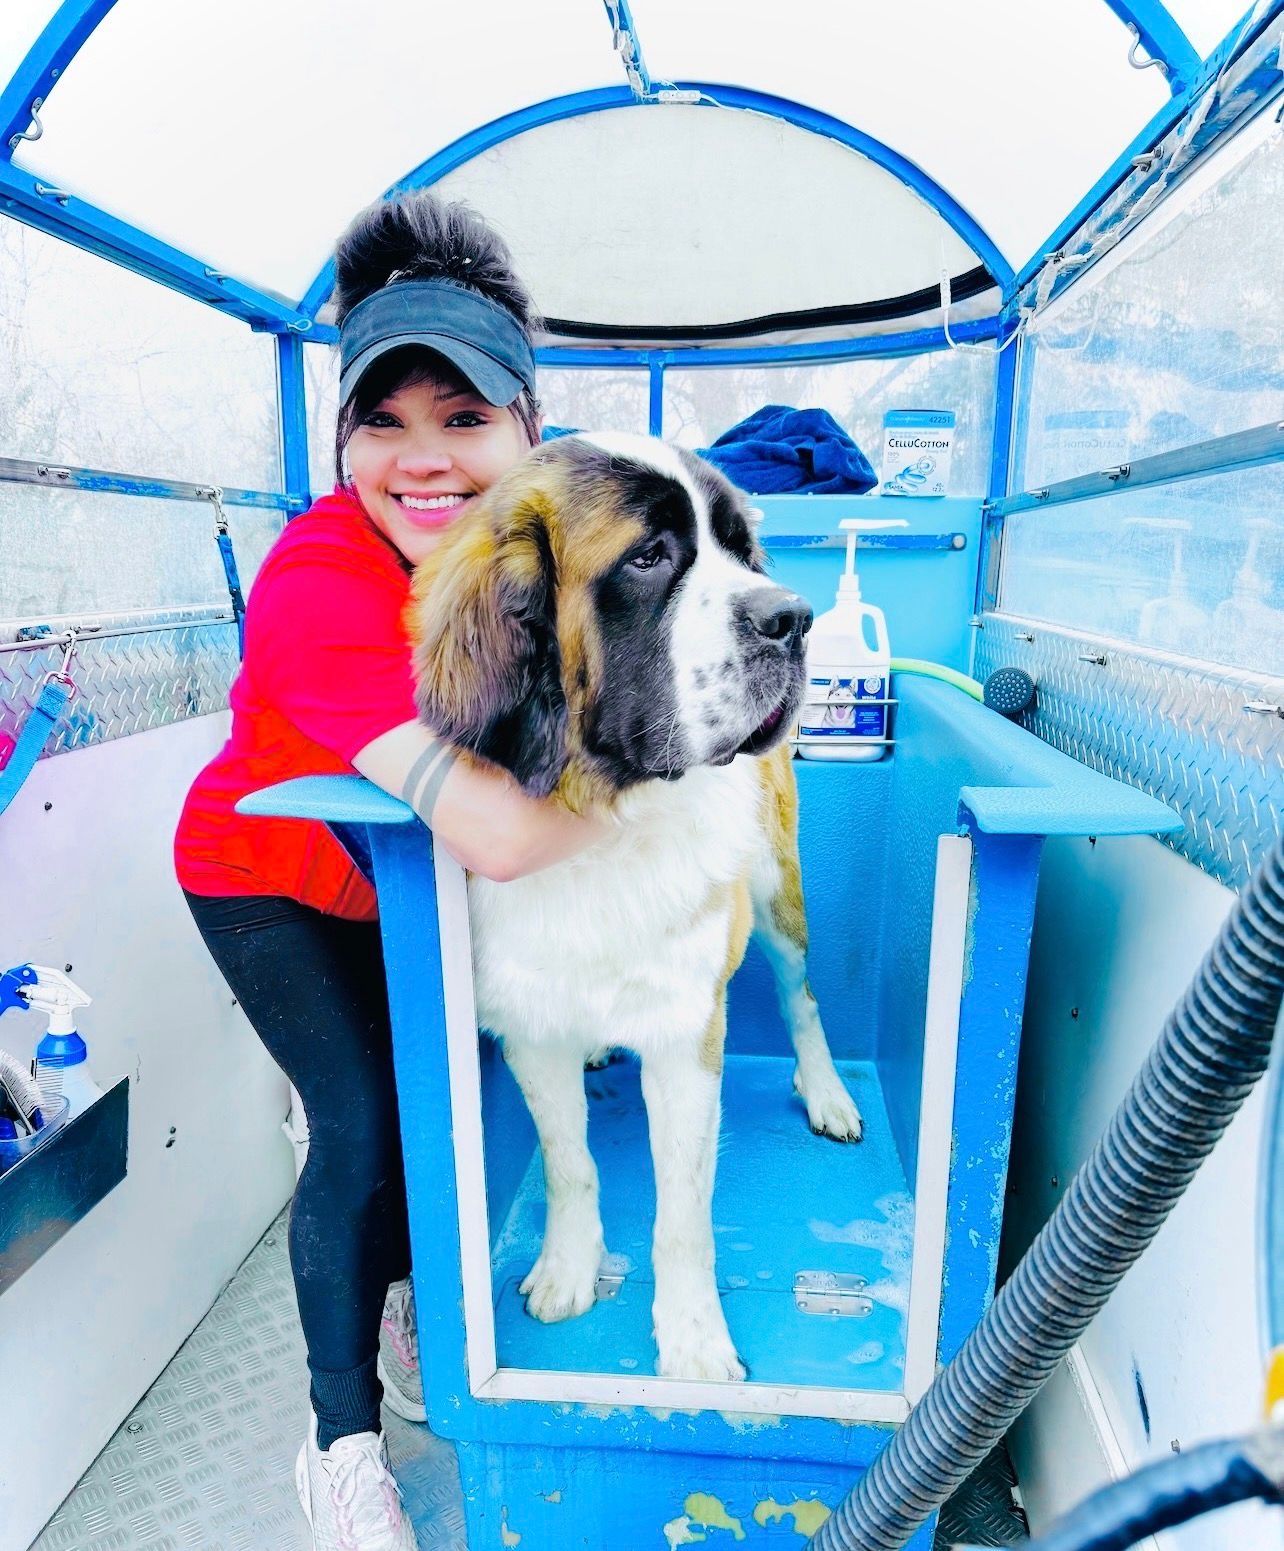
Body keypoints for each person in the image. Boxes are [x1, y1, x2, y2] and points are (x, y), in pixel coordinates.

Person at [174, 191, 603, 1551]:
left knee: (439, 1108)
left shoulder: (543, 533)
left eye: (466, 421)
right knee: (359, 1126)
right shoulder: (320, 588)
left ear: (530, 430)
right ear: (341, 436)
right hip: (266, 874)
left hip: (392, 880)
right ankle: (339, 1444)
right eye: (386, 423)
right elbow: (504, 833)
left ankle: (408, 1289)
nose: (425, 462)